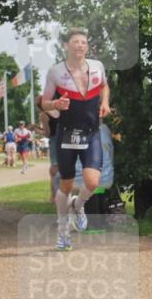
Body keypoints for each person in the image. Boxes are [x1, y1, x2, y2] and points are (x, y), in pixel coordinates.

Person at [40, 28, 110, 251]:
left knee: (92, 182)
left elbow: (104, 86)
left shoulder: (97, 66)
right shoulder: (55, 72)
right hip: (66, 133)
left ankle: (78, 206)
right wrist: (55, 105)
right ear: (67, 46)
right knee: (66, 184)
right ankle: (62, 233)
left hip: (91, 131)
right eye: (76, 42)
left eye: (83, 42)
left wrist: (105, 102)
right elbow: (44, 102)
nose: (80, 45)